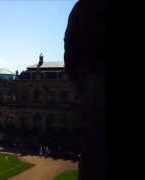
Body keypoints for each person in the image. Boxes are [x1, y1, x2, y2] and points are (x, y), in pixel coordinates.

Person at [64, 0, 105, 179]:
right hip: (93, 87)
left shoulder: (84, 7)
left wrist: (82, 85)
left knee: (93, 157)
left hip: (94, 91)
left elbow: (70, 54)